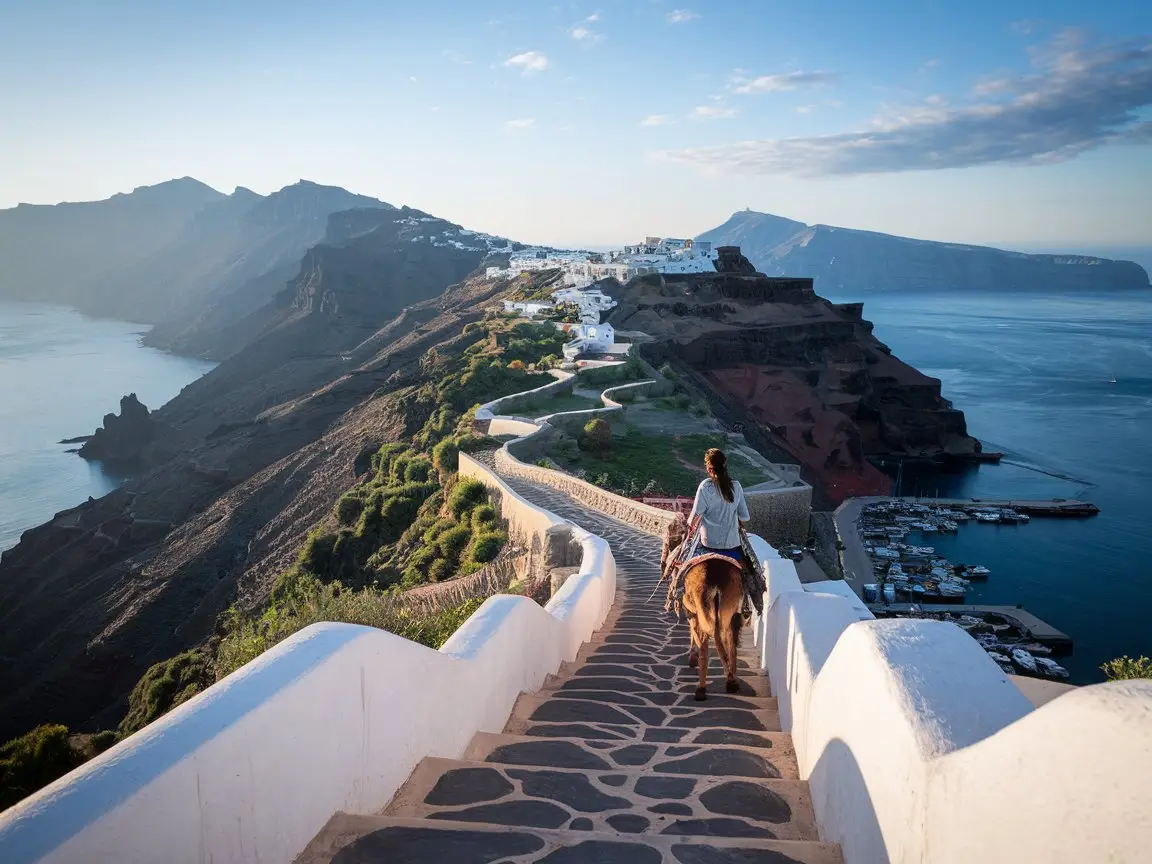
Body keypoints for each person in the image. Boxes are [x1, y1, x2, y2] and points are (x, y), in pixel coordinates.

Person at [689, 448, 749, 564]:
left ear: (708, 468)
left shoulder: (705, 487)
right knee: (752, 574)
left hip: (708, 546)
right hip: (733, 547)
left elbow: (693, 519)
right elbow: (745, 517)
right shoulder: (736, 486)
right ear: (725, 465)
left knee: (687, 568)